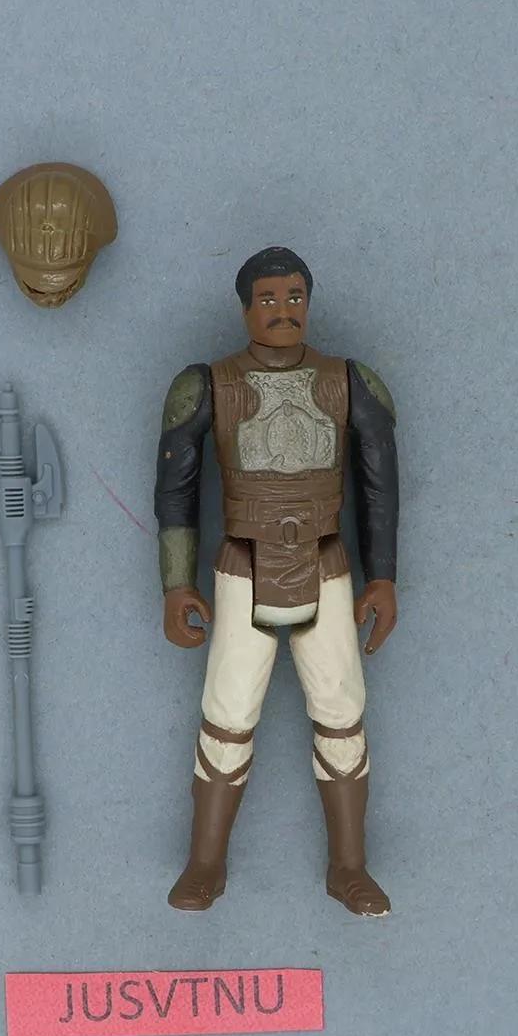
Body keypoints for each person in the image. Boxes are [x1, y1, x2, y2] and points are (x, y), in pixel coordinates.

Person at [154, 246, 400, 915]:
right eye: (268, 298)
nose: (282, 310)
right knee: (228, 712)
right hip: (243, 564)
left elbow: (379, 488)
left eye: (293, 297)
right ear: (245, 309)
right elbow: (176, 490)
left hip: (326, 564)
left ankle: (349, 867)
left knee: (341, 710)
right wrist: (176, 584)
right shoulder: (207, 386)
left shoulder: (350, 382)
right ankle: (205, 863)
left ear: (308, 303)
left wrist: (382, 578)